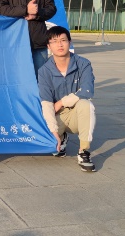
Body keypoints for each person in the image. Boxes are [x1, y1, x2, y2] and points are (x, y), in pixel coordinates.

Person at [38, 26, 96, 172]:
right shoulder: (44, 71)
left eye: (63, 40)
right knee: (49, 135)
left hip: (76, 114)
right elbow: (46, 102)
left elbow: (87, 90)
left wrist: (61, 102)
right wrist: (53, 132)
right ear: (48, 46)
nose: (60, 44)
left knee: (86, 104)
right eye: (54, 41)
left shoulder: (83, 64)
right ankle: (61, 137)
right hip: (57, 115)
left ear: (70, 42)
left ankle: (83, 151)